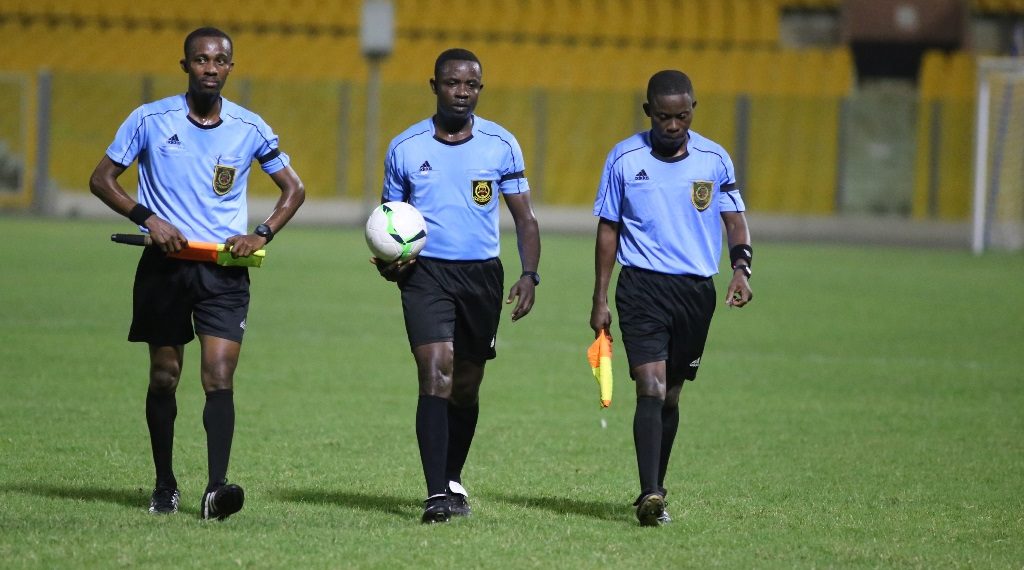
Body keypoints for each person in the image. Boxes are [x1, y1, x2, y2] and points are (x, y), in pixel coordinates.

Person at [88, 27, 305, 520]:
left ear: (231, 67)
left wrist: (262, 233)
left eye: (220, 60)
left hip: (224, 272)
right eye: (201, 59)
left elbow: (293, 189)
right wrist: (148, 218)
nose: (211, 67)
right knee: (165, 377)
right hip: (164, 269)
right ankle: (165, 484)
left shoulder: (250, 127)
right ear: (185, 66)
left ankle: (215, 489)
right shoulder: (149, 118)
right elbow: (101, 179)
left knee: (219, 375)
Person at [375, 48, 541, 524]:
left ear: (480, 89)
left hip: (482, 276)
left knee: (465, 386)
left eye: (470, 84)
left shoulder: (501, 145)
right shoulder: (405, 147)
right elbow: (389, 220)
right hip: (426, 275)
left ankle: (451, 478)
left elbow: (525, 219)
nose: (461, 92)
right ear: (434, 86)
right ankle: (434, 495)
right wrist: (390, 262)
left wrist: (529, 273)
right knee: (436, 373)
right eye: (452, 83)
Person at [589, 70, 753, 527]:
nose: (674, 125)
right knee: (651, 387)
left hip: (695, 292)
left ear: (692, 110)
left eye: (682, 116)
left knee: (672, 396)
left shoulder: (714, 160)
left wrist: (742, 269)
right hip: (641, 287)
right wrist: (600, 296)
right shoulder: (623, 158)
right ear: (649, 113)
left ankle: (655, 489)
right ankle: (650, 491)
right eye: (664, 117)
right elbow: (608, 229)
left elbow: (735, 220)